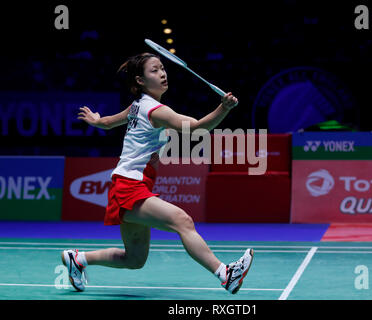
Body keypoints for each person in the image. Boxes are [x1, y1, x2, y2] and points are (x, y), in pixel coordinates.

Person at [61, 52, 254, 294]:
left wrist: (97, 120)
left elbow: (110, 122)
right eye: (154, 70)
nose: (162, 73)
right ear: (140, 80)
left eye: (162, 68)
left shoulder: (137, 106)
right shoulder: (154, 110)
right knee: (183, 221)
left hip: (127, 184)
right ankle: (225, 274)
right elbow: (195, 128)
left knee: (134, 260)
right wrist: (223, 108)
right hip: (129, 186)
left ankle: (78, 259)